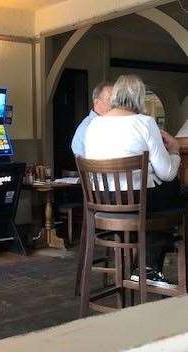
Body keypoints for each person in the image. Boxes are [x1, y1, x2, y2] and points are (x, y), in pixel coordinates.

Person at [84, 74, 182, 288]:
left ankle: (145, 266)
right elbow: (166, 173)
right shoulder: (145, 123)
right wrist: (174, 151)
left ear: (116, 95)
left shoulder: (93, 126)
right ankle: (149, 268)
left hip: (101, 205)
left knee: (164, 196)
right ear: (139, 98)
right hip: (136, 205)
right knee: (176, 191)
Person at [71, 81, 113, 157]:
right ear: (96, 102)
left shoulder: (111, 122)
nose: (114, 105)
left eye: (116, 101)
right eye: (110, 100)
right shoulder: (86, 127)